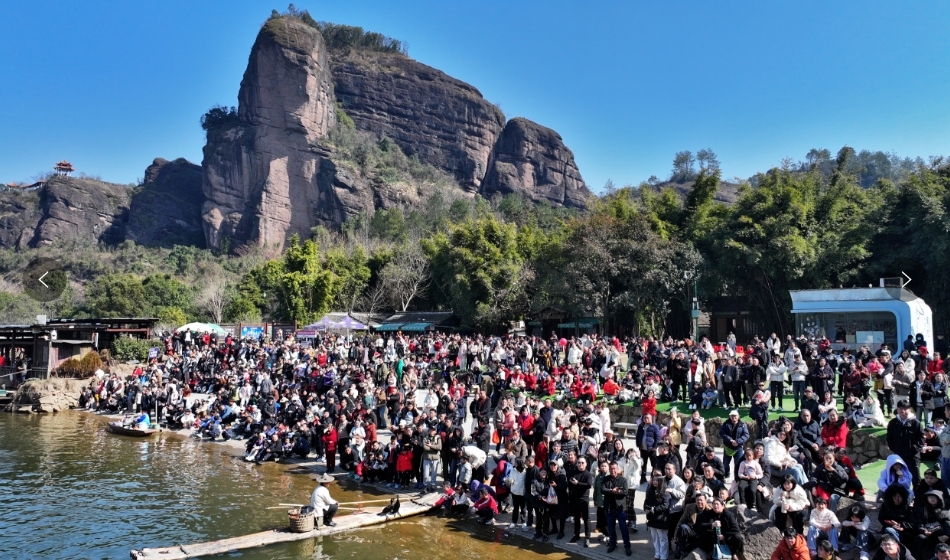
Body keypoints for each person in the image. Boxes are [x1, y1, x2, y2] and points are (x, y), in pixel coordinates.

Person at [602, 461, 632, 556]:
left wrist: (617, 492)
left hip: (620, 508)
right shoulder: (606, 479)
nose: (612, 471)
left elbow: (626, 492)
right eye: (611, 469)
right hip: (609, 508)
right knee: (611, 528)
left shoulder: (623, 480)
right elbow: (602, 489)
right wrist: (611, 491)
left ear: (618, 469)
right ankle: (613, 544)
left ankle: (627, 546)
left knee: (623, 528)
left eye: (614, 469)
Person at [644, 469, 670, 560]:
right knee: (655, 538)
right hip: (652, 518)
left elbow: (665, 505)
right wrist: (646, 509)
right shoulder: (650, 491)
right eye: (654, 480)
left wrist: (653, 509)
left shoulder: (665, 492)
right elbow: (646, 502)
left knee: (662, 539)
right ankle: (657, 554)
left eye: (657, 480)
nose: (655, 482)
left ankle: (663, 556)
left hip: (661, 518)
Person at [568, 456, 594, 546]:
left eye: (582, 463)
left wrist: (577, 483)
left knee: (586, 519)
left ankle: (587, 537)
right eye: (579, 462)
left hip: (584, 499)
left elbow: (589, 485)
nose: (580, 464)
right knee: (576, 518)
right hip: (575, 499)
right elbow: (570, 483)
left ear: (586, 464)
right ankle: (576, 534)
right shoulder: (573, 473)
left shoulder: (588, 474)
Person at [719, 410, 750, 480]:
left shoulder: (743, 425)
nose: (733, 417)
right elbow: (721, 433)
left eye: (735, 416)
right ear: (730, 416)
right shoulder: (726, 424)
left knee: (738, 464)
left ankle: (737, 478)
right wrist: (730, 440)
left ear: (738, 416)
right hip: (728, 447)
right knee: (725, 464)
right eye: (732, 416)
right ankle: (726, 475)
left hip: (738, 448)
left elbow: (746, 435)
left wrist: (738, 441)